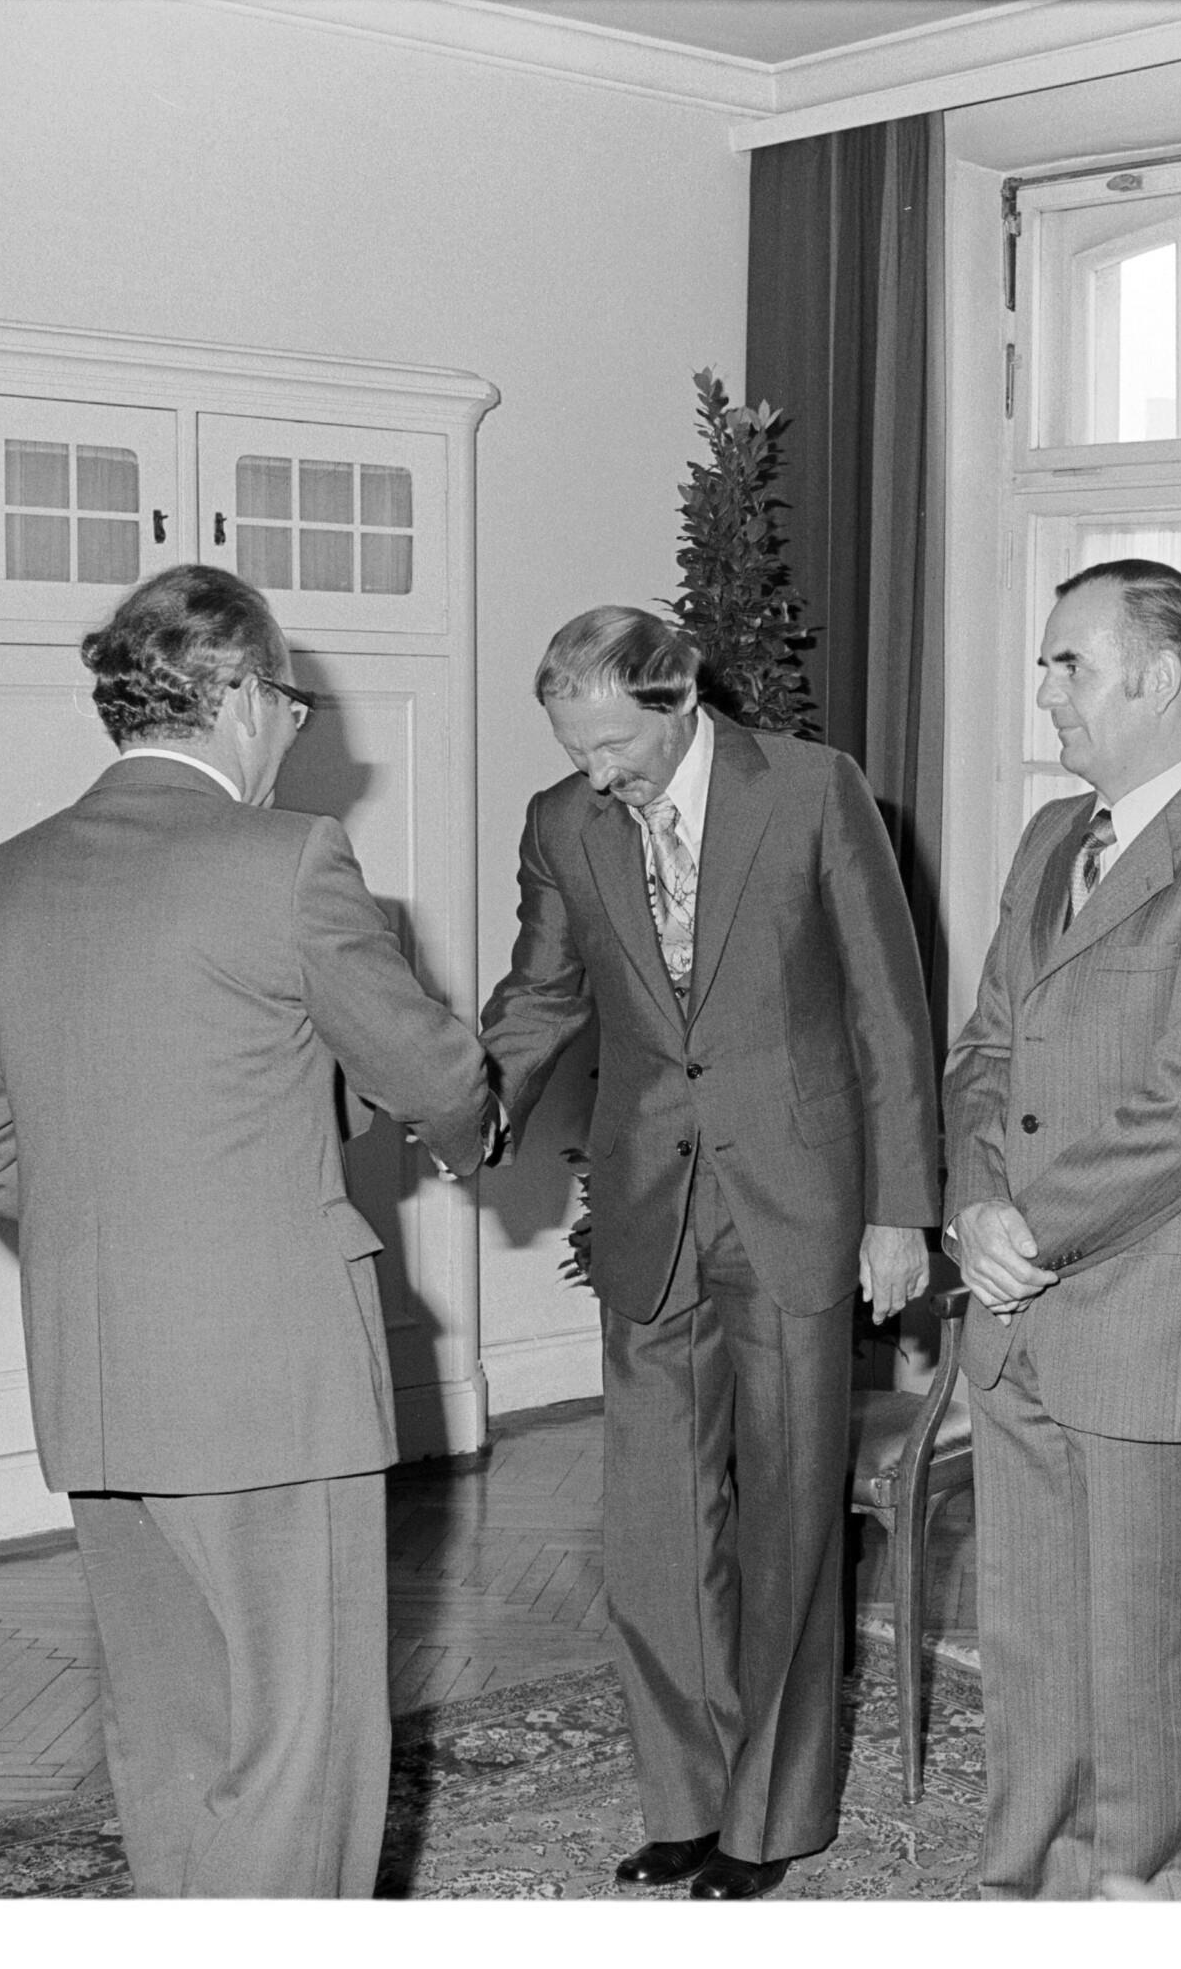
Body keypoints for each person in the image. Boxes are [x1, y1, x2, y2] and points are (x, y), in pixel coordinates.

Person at [0, 564, 494, 1898]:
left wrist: (124, 1218)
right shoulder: (287, 858)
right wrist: (469, 1124)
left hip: (98, 1374)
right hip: (269, 1378)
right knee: (303, 1743)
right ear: (239, 695)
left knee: (173, 1729)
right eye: (290, 703)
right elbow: (435, 1074)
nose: (292, 730)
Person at [479, 606, 940, 1901]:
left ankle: (770, 1816)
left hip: (796, 1197)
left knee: (790, 1517)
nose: (598, 775)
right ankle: (684, 1800)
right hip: (649, 1204)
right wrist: (472, 1099)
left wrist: (899, 1209)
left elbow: (887, 1009)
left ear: (680, 702)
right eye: (576, 750)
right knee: (654, 1529)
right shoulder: (563, 823)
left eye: (615, 747)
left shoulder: (810, 789)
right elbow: (544, 993)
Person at [944, 558, 1181, 1899]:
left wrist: (1023, 1230)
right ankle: (1026, 1888)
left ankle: (1151, 1892)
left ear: (1159, 682)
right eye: (1047, 664)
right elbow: (987, 1050)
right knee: (1031, 1647)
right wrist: (971, 1204)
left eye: (1071, 665)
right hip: (1019, 1313)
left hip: (1148, 1318)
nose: (1047, 692)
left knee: (1145, 1655)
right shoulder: (1054, 838)